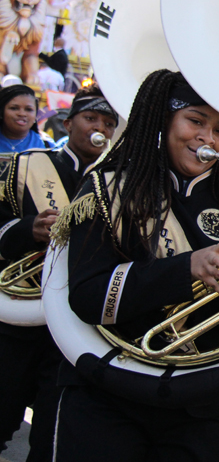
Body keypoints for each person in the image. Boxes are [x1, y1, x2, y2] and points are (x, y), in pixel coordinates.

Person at [51, 70, 219, 461]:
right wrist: (186, 269)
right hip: (110, 391)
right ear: (162, 118)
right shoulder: (108, 189)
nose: (208, 138)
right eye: (195, 121)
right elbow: (87, 296)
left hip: (202, 401)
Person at [0, 85, 117, 462]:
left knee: (52, 437)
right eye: (90, 118)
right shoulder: (25, 165)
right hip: (17, 322)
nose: (100, 127)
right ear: (67, 123)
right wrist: (26, 228)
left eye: (109, 122)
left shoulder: (119, 183)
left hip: (73, 332)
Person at [0, 85, 51, 154]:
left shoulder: (47, 146)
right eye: (14, 108)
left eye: (29, 109)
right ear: (1, 111)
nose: (22, 114)